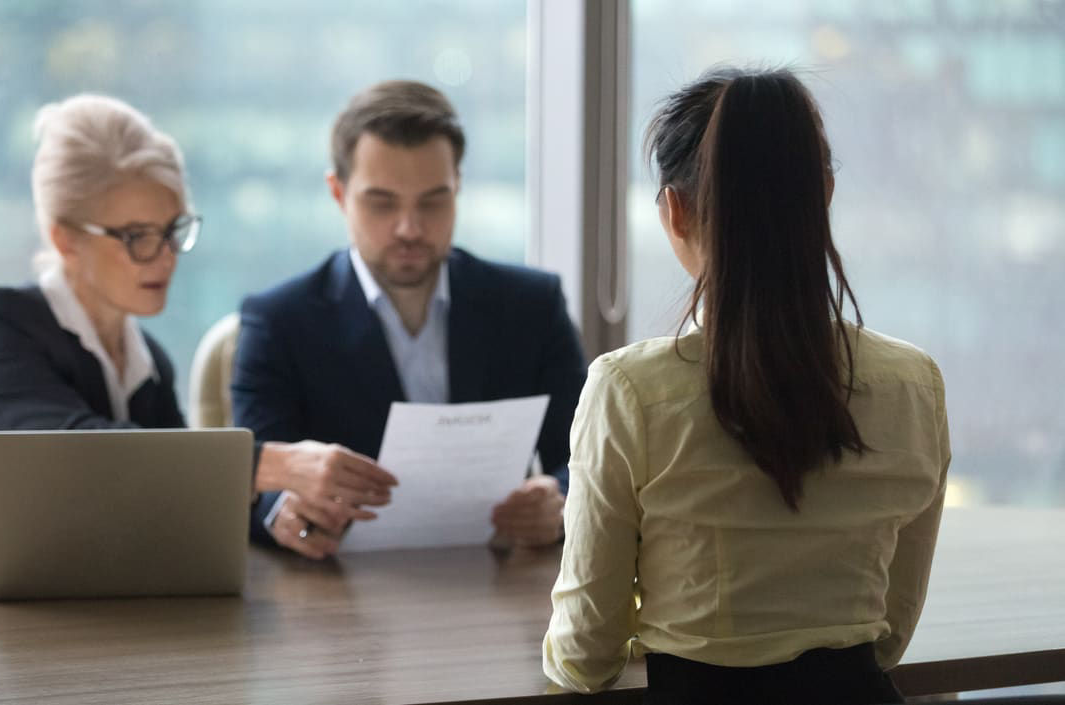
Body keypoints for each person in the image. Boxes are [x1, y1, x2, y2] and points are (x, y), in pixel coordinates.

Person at [541, 67, 950, 705]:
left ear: (674, 210)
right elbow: (888, 635)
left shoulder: (629, 391)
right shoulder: (912, 385)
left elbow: (586, 656)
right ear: (826, 195)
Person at [0, 94, 395, 557]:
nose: (164, 258)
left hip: (47, 608)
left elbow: (178, 491)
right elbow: (83, 448)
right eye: (137, 236)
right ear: (64, 239)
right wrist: (272, 463)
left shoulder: (147, 363)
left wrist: (277, 517)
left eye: (173, 231)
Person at [233, 80, 586, 559]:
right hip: (336, 600)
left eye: (432, 201)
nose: (409, 228)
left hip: (502, 585)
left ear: (458, 187)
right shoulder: (277, 321)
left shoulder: (532, 306)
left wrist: (560, 501)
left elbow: (586, 460)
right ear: (338, 193)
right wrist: (283, 514)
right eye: (382, 203)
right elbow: (250, 479)